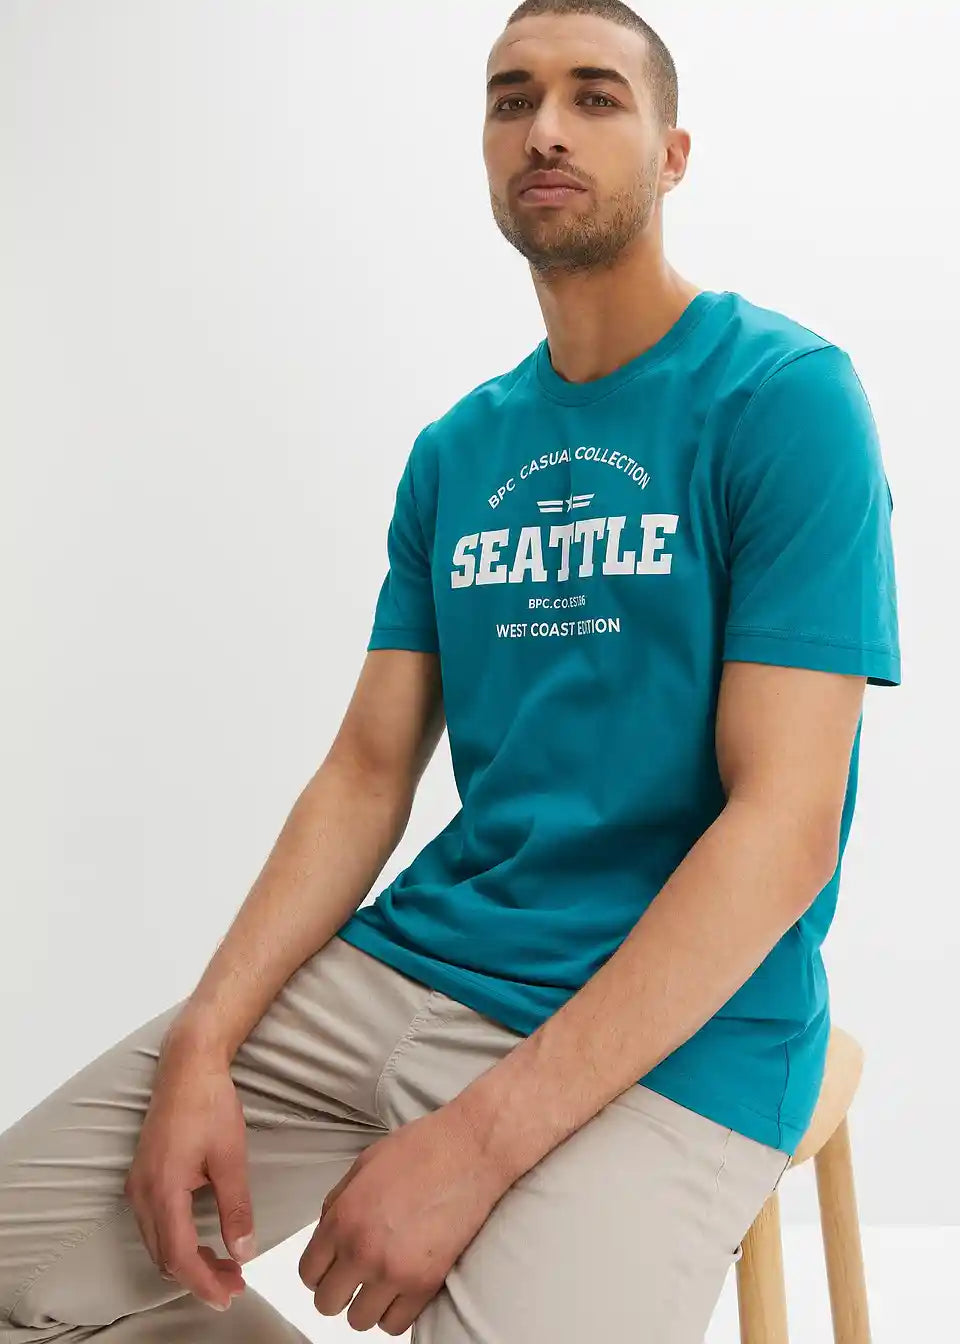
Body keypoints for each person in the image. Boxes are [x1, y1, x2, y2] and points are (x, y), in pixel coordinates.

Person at [0, 1, 902, 1340]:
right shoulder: (456, 451)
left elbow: (785, 830)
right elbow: (367, 773)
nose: (546, 128)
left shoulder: (783, 397)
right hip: (416, 963)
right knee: (15, 1271)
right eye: (511, 98)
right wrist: (204, 1037)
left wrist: (478, 1142)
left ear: (673, 155)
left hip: (678, 1038)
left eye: (597, 96)